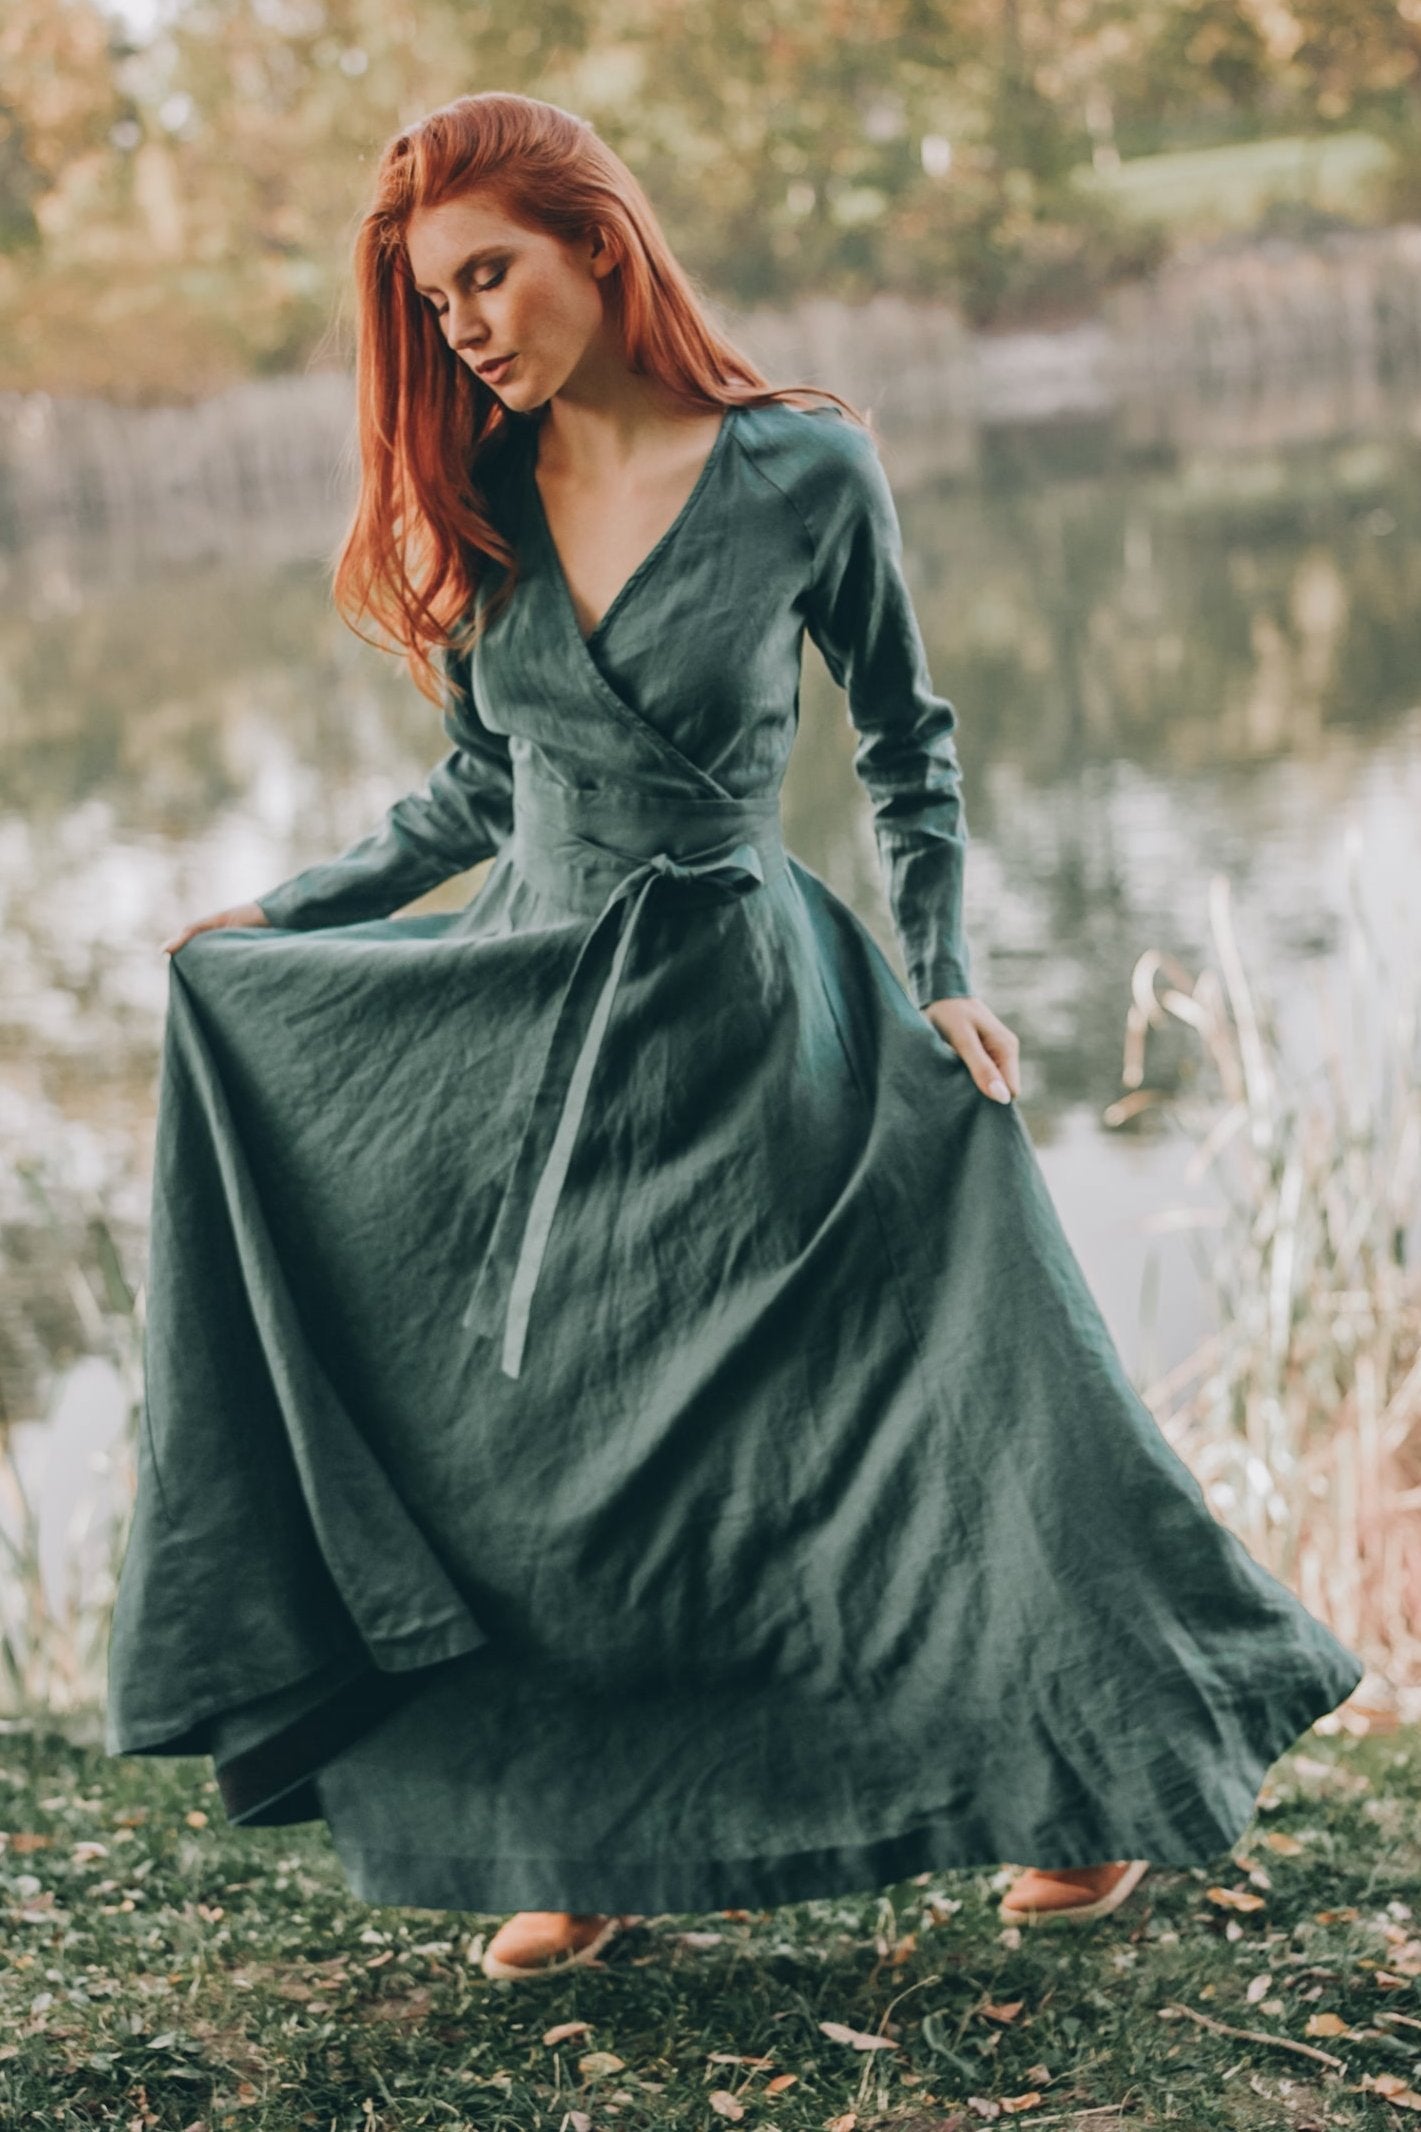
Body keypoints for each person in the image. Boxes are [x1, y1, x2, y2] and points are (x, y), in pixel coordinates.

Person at [107, 90, 1363, 1983]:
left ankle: (1085, 1793)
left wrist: (939, 965)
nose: (456, 325)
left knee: (908, 1427)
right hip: (531, 1023)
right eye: (428, 297)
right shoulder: (486, 495)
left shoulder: (800, 470)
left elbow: (905, 742)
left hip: (750, 1014)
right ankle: (581, 1834)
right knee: (531, 1446)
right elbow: (477, 792)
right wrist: (282, 920)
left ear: (597, 244)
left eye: (485, 275)